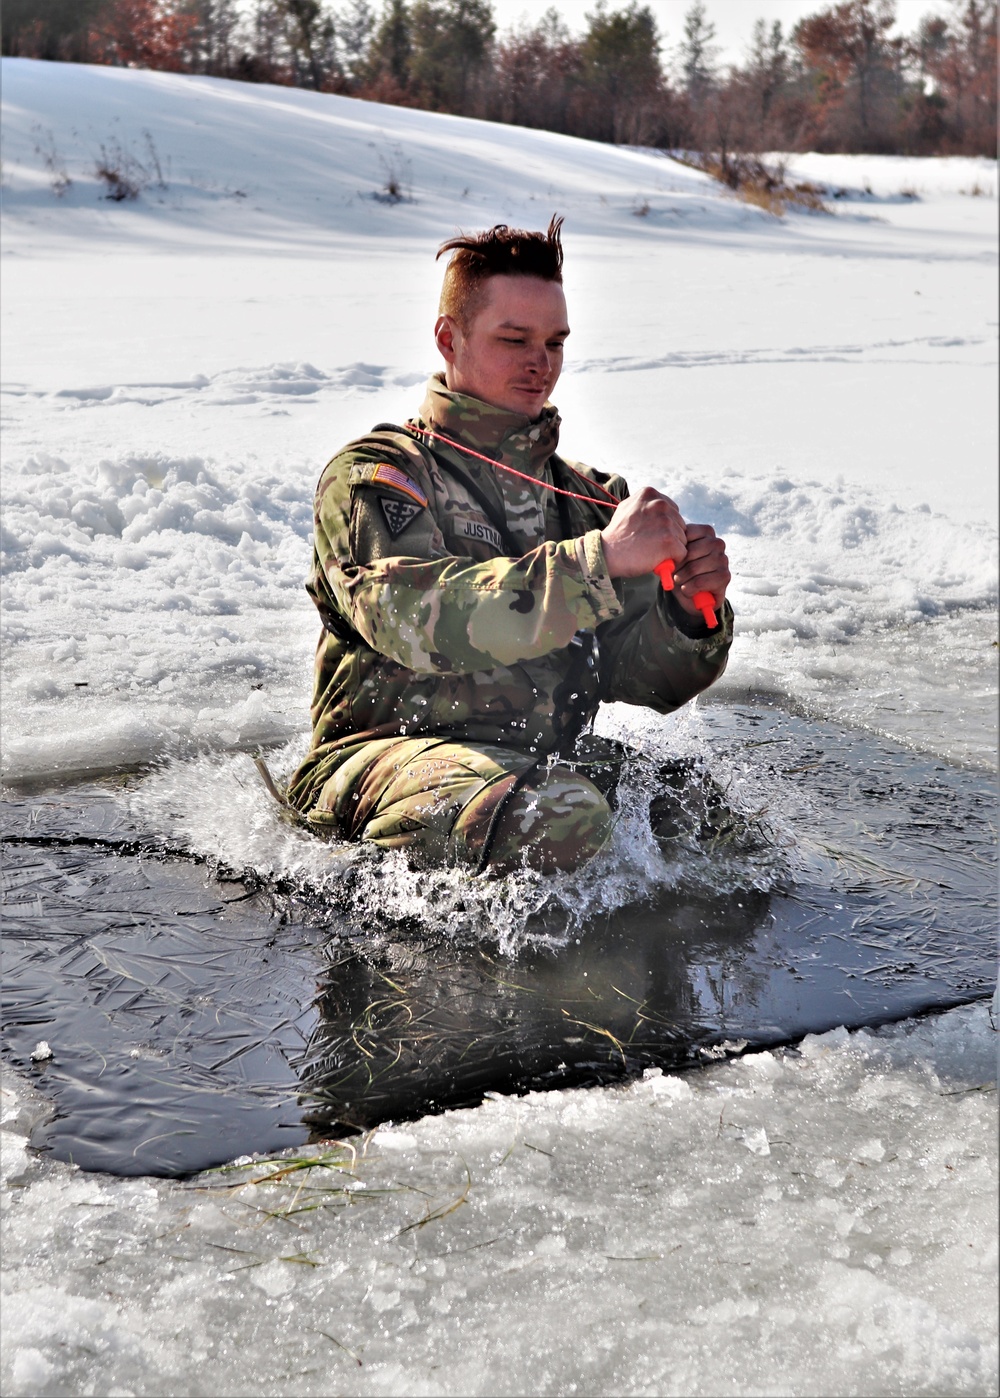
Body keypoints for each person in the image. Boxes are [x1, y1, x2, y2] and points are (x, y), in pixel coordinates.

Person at [286, 216, 733, 874]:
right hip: (379, 761)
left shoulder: (585, 496)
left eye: (554, 341)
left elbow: (637, 678)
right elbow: (415, 620)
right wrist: (599, 564)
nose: (539, 363)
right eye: (514, 339)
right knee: (560, 817)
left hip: (538, 766)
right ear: (450, 338)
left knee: (710, 822)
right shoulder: (379, 477)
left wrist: (690, 614)